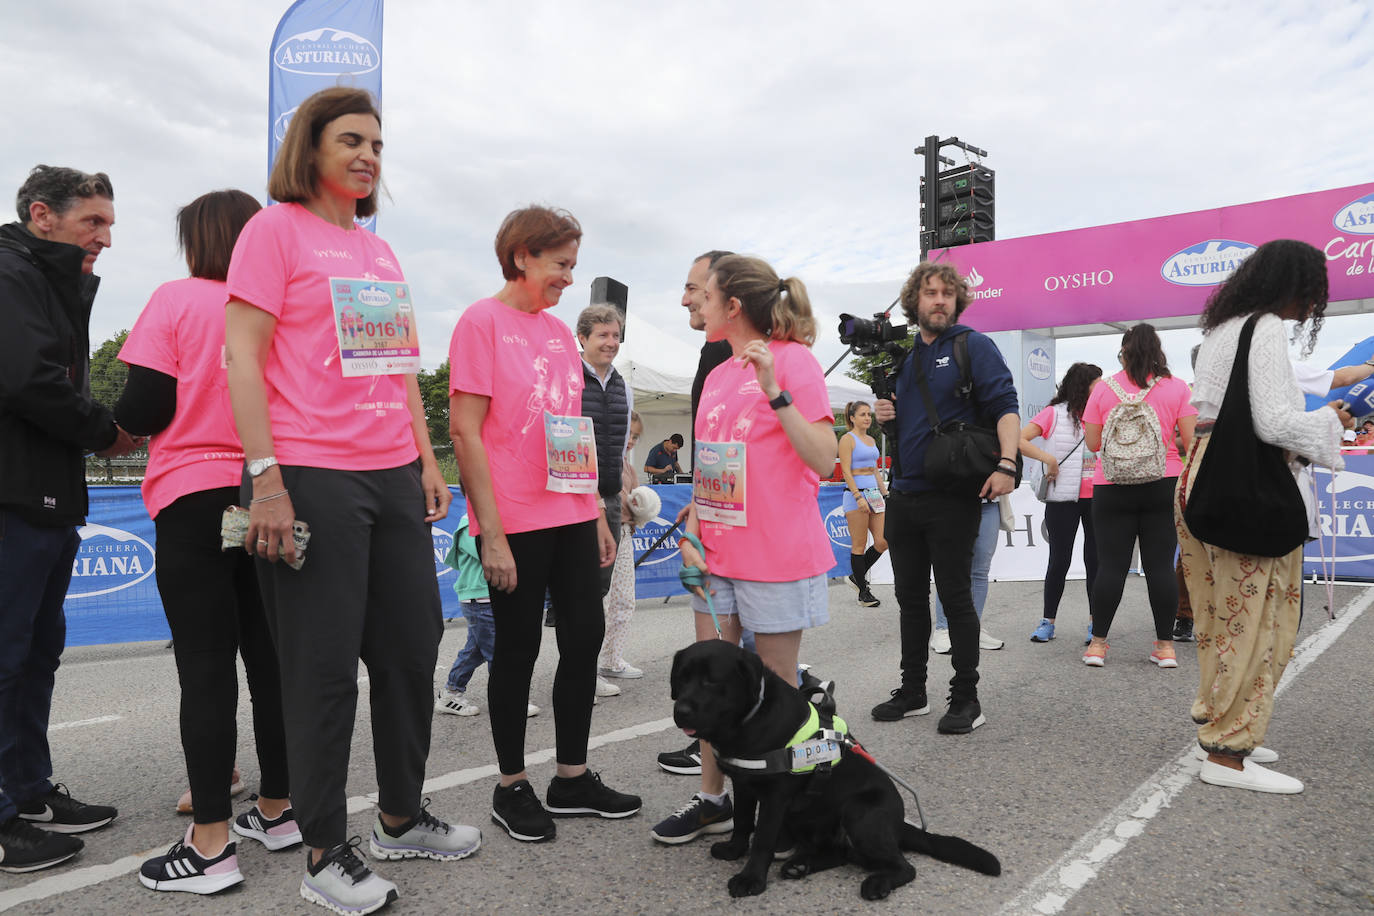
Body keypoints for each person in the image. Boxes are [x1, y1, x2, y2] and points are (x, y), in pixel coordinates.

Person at [224, 88, 479, 914]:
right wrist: (266, 477)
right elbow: (242, 357)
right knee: (322, 668)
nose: (369, 156)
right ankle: (326, 852)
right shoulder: (273, 231)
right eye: (351, 141)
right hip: (308, 473)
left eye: (377, 144)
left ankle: (400, 817)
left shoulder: (379, 254)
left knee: (409, 650)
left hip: (391, 475)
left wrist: (424, 455)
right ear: (311, 149)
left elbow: (397, 365)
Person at [113, 190, 297, 894]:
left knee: (206, 665)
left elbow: (146, 406)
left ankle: (212, 842)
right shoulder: (277, 310)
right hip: (269, 493)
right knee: (270, 656)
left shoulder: (177, 298)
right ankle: (278, 809)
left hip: (193, 494)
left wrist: (108, 426)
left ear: (197, 241)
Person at [449, 204, 639, 846]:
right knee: (519, 647)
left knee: (584, 637)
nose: (567, 278)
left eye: (573, 267)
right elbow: (465, 432)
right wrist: (491, 532)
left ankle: (571, 775)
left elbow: (571, 431)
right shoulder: (480, 322)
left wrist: (593, 511)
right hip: (514, 520)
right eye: (561, 265)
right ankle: (510, 785)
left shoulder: (561, 335)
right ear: (522, 255)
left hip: (570, 512)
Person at [650, 254, 837, 845]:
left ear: (732, 305)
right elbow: (710, 468)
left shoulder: (794, 361)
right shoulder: (719, 372)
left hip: (776, 556)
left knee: (777, 688)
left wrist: (776, 393)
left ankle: (781, 815)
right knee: (707, 684)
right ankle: (712, 800)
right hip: (717, 557)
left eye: (700, 292)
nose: (690, 301)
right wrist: (690, 536)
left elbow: (824, 458)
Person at [1178, 238, 1350, 794]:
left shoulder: (1223, 329)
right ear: (1293, 285)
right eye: (1312, 292)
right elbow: (1275, 421)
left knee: (1216, 616)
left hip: (1199, 474)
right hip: (1243, 480)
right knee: (1257, 619)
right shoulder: (1267, 327)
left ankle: (1224, 724)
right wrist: (1330, 421)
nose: (1312, 305)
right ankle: (1228, 750)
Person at [0, 165, 134, 873]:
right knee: (4, 656)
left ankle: (27, 789)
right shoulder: (9, 271)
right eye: (94, 223)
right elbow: (27, 379)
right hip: (12, 496)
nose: (106, 238)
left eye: (108, 224)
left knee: (36, 654)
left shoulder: (50, 279)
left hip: (47, 496)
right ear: (41, 214)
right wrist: (105, 430)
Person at [870, 261, 1019, 735]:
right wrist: (886, 416)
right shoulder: (905, 360)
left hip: (953, 496)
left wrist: (1008, 465)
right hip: (905, 494)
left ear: (957, 301)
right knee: (910, 599)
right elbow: (906, 429)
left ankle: (966, 698)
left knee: (955, 597)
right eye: (930, 293)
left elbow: (1006, 408)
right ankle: (913, 690)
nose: (939, 300)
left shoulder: (973, 346)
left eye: (947, 294)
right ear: (914, 301)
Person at [656, 249, 735, 778]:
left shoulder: (732, 348)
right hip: (717, 506)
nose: (684, 298)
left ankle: (723, 751)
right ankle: (717, 757)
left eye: (693, 288)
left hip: (731, 521)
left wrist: (702, 514)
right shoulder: (714, 349)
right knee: (729, 640)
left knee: (728, 645)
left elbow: (732, 441)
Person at [1082, 323, 1195, 669]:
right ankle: (1165, 648)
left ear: (1124, 352)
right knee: (1160, 566)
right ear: (1158, 351)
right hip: (1162, 482)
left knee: (1111, 566)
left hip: (1111, 485)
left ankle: (1098, 646)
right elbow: (1191, 442)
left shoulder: (1103, 388)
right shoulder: (1177, 388)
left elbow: (1093, 444)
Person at [1019, 362, 1103, 644]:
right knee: (1059, 560)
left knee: (1095, 561)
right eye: (1096, 383)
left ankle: (1096, 624)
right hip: (1060, 498)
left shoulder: (1101, 412)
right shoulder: (1053, 414)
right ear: (1083, 384)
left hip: (1097, 496)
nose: (1101, 388)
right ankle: (1048, 622)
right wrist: (1048, 459)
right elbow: (1019, 439)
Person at [435, 512, 541, 719]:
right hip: (480, 599)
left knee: (476, 650)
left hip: (491, 598)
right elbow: (490, 554)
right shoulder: (469, 523)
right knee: (499, 652)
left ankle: (451, 693)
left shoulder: (495, 519)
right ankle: (511, 700)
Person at [599, 411, 647, 679]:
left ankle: (611, 659)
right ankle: (588, 666)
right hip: (601, 535)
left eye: (636, 437)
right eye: (628, 433)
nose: (630, 440)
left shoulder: (629, 468)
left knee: (624, 601)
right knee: (599, 603)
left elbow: (640, 501)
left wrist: (644, 508)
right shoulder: (601, 462)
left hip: (626, 536)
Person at [930, 499, 1007, 652]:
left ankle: (973, 629)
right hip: (953, 502)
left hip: (988, 503)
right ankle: (943, 629)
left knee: (981, 570)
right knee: (951, 568)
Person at [838, 400, 887, 607]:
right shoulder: (847, 439)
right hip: (855, 495)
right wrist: (858, 496)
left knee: (883, 541)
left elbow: (875, 469)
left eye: (869, 414)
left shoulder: (871, 439)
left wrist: (885, 493)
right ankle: (864, 593)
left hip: (875, 494)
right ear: (852, 417)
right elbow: (846, 471)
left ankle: (855, 577)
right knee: (858, 545)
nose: (868, 418)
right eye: (863, 414)